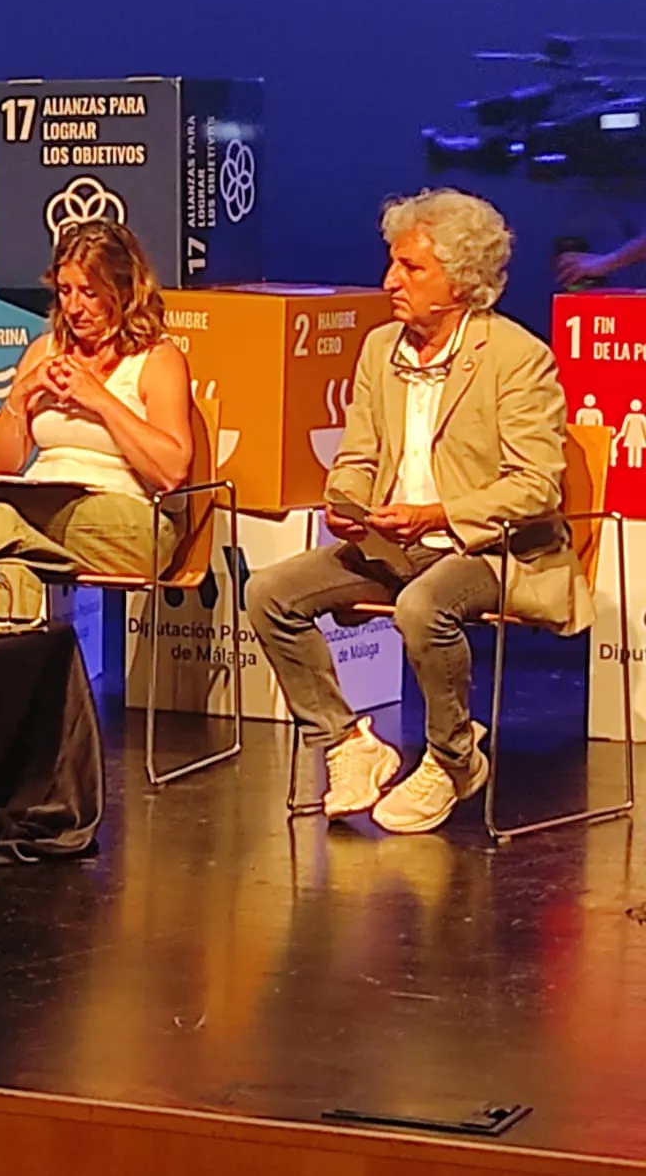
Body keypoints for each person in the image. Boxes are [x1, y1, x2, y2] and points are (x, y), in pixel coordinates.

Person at [246, 189, 588, 834]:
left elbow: (537, 486)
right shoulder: (381, 349)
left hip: (494, 549)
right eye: (393, 264)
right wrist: (345, 503)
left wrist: (436, 515)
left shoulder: (516, 357)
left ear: (461, 281)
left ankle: (452, 758)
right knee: (270, 591)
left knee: (423, 605)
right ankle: (348, 743)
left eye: (410, 268)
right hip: (397, 542)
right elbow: (358, 454)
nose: (389, 281)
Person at [0, 219, 194, 617]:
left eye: (89, 293)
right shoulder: (44, 352)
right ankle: (36, 680)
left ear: (122, 290)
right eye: (65, 291)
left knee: (5, 507)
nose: (74, 307)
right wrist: (21, 394)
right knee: (5, 576)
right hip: (44, 520)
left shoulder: (156, 359)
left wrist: (99, 399)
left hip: (136, 527)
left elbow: (172, 471)